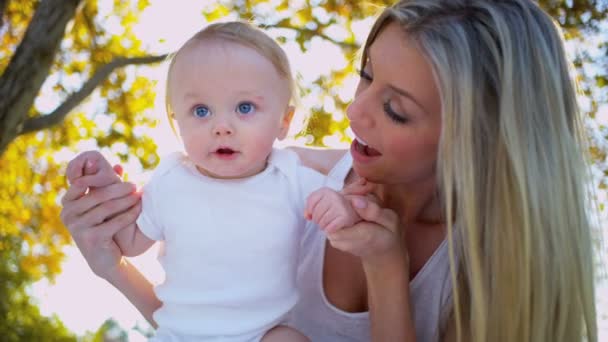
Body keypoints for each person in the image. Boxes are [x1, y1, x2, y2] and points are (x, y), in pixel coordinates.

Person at [60, 0, 599, 341]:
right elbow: (205, 325)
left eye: (396, 109)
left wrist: (387, 269)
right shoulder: (283, 171)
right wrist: (111, 265)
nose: (352, 113)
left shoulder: (486, 273)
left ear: (474, 141)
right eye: (366, 77)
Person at [65, 21, 364, 342]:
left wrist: (342, 209)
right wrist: (107, 188)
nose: (222, 126)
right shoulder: (170, 181)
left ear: (284, 122)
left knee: (288, 339)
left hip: (261, 335)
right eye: (201, 110)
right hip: (178, 335)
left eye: (244, 107)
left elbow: (342, 215)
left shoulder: (290, 178)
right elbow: (132, 242)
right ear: (176, 121)